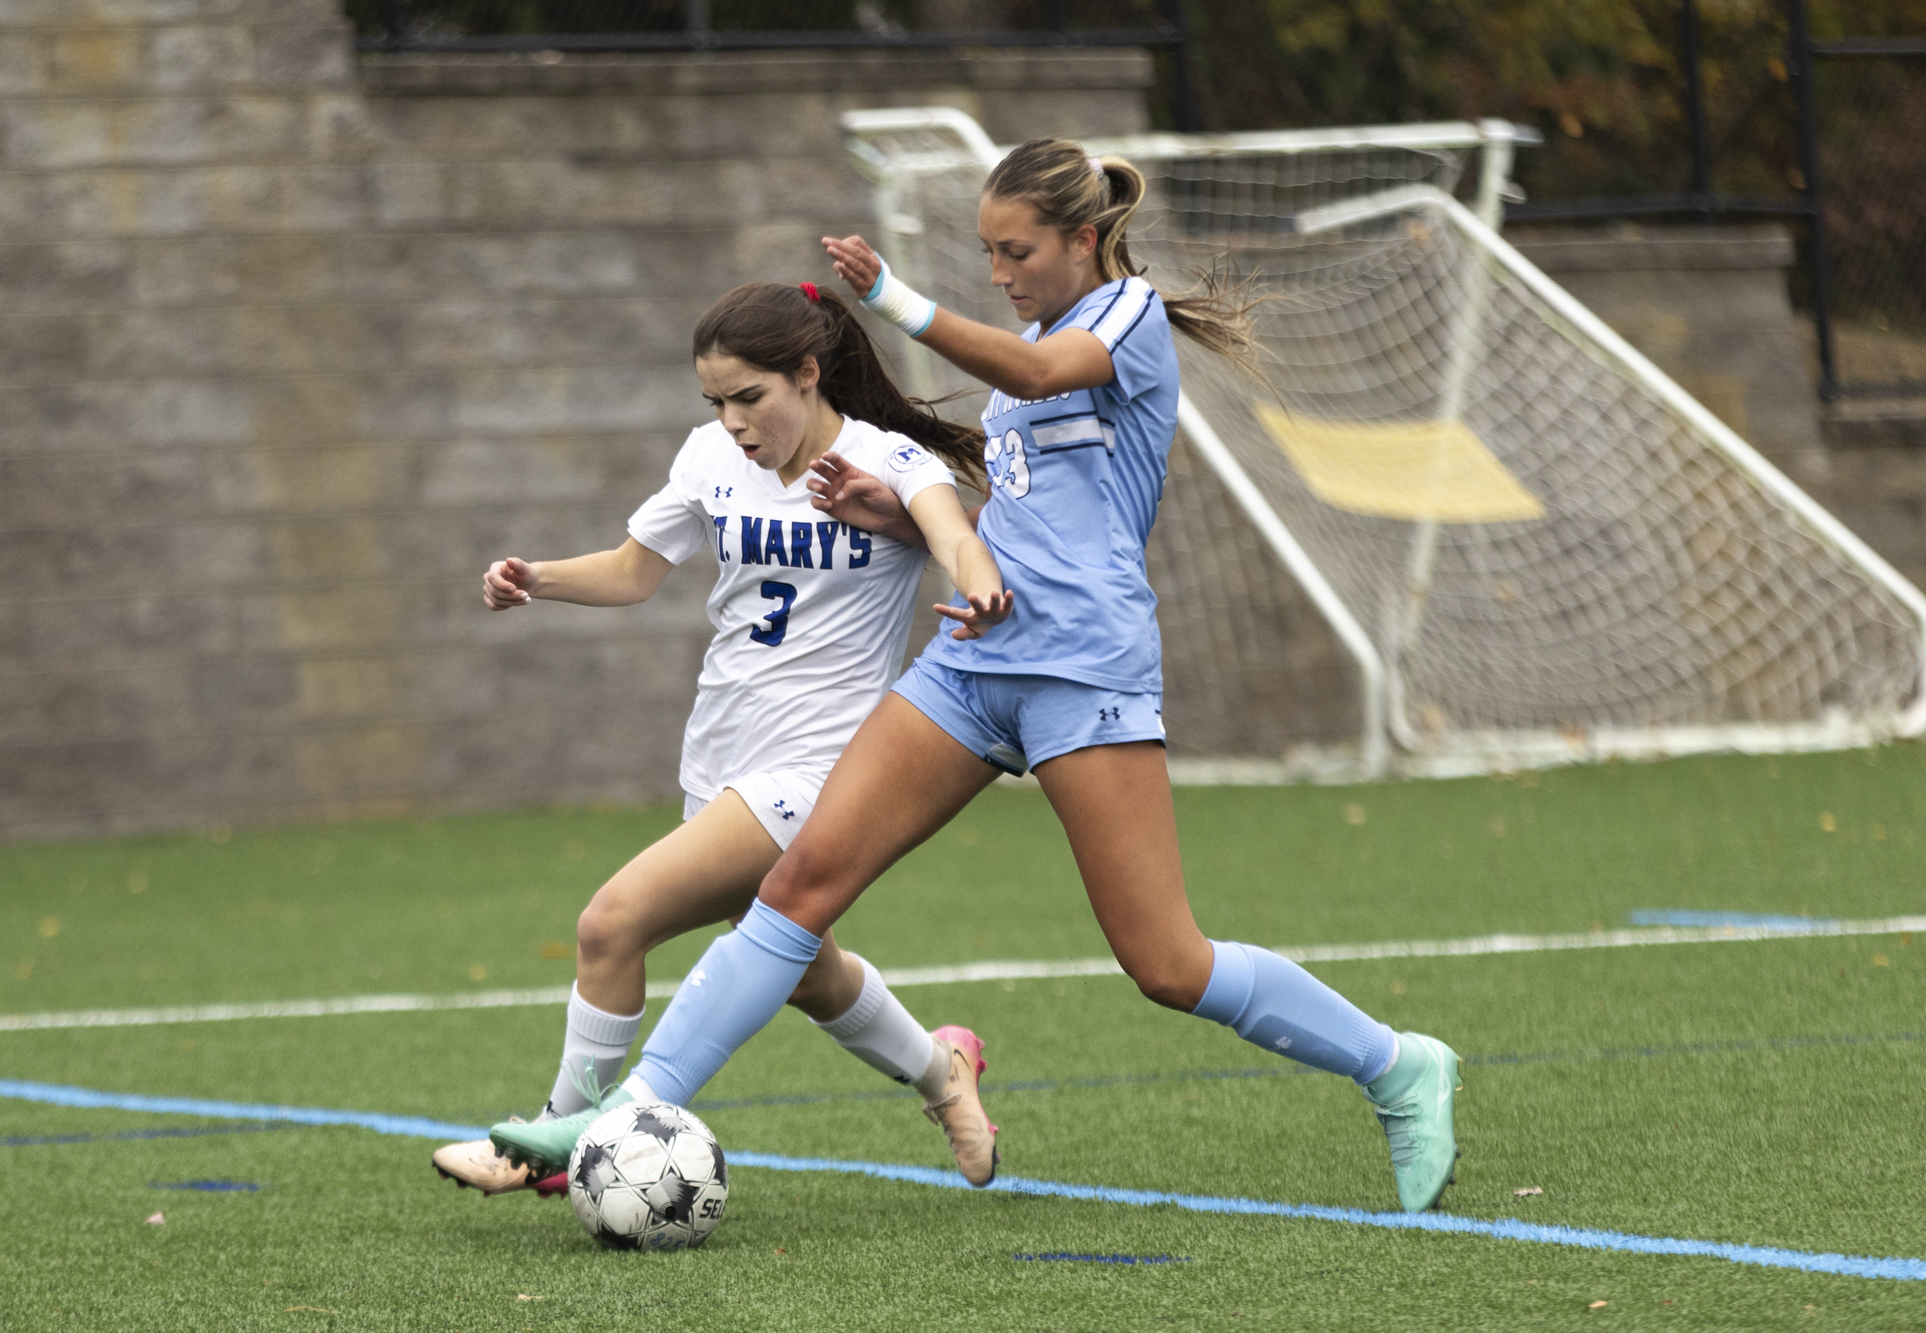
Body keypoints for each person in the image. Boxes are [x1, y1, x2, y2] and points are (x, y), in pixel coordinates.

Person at [490, 141, 1463, 1214]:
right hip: (970, 658)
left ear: (1082, 241)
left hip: (1079, 669)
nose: (1000, 272)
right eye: (986, 255)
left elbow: (1037, 375)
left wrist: (895, 298)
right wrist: (890, 517)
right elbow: (1030, 508)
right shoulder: (1037, 341)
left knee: (1165, 963)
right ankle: (624, 1109)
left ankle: (1395, 1064)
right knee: (797, 887)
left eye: (1017, 252)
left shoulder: (1120, 319)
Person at [435, 280, 1014, 1197]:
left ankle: (551, 1137)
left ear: (808, 373)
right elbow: (633, 573)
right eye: (715, 400)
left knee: (612, 921)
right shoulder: (709, 457)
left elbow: (954, 535)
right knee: (802, 971)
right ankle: (945, 1070)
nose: (733, 420)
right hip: (720, 752)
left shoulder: (888, 459)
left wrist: (980, 589)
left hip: (826, 765)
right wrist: (534, 577)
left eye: (751, 397)